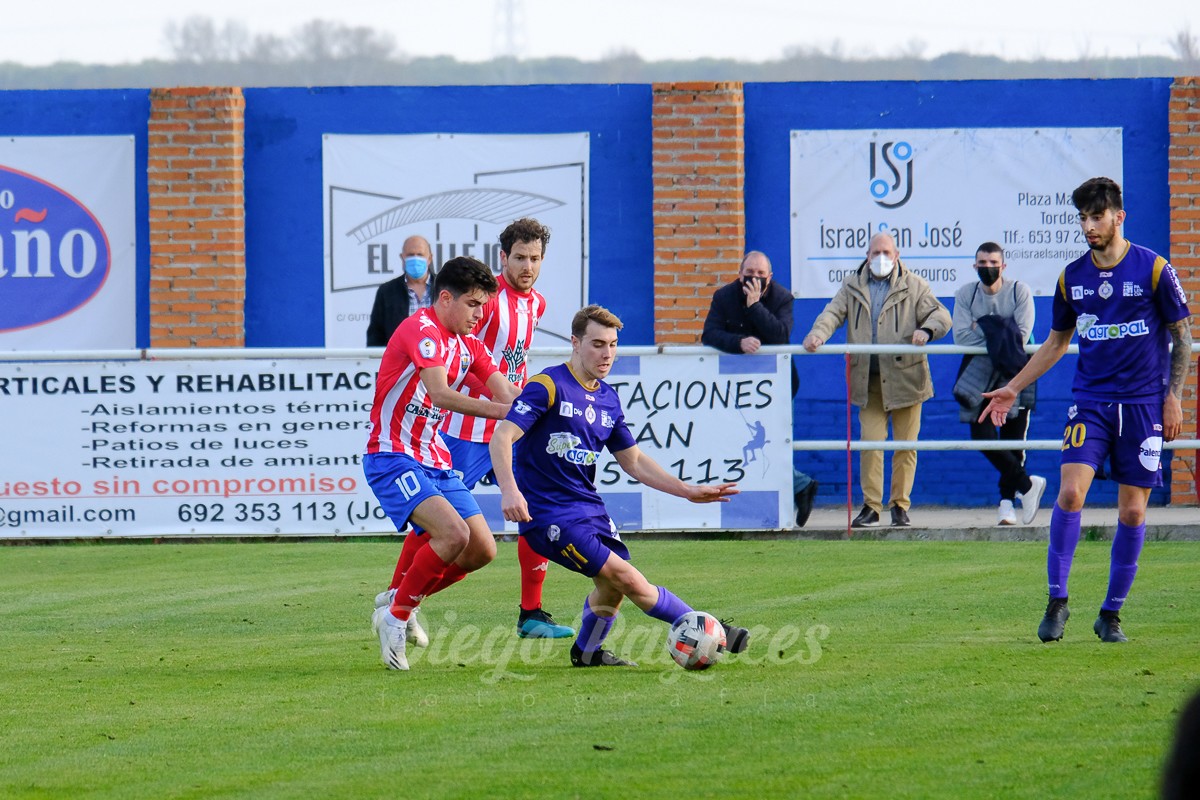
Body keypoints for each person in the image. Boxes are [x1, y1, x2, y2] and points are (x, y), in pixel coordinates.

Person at [980, 177, 1192, 644]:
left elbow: (1182, 337)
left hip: (1142, 408)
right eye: (1082, 218)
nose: (1088, 226)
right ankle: (1057, 603)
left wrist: (1172, 395)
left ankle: (1110, 614)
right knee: (1071, 494)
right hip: (1091, 404)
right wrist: (1012, 387)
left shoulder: (1154, 270)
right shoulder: (1070, 277)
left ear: (1119, 216)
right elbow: (1056, 343)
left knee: (1134, 512)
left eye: (1096, 216)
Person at [489, 305, 751, 668]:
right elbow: (502, 438)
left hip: (589, 510)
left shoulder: (608, 399)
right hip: (549, 514)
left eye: (612, 345)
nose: (606, 354)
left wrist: (687, 490)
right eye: (597, 344)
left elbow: (635, 461)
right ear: (575, 343)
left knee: (611, 589)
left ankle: (587, 653)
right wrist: (509, 490)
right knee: (627, 578)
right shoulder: (548, 385)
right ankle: (711, 628)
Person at [376, 218, 574, 640]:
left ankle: (531, 611)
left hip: (507, 421)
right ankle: (397, 598)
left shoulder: (535, 303)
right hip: (463, 427)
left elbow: (505, 367)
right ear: (503, 258)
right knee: (439, 525)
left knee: (533, 504)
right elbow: (461, 358)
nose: (527, 266)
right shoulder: (485, 299)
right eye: (519, 257)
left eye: (535, 258)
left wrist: (530, 407)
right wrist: (505, 406)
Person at [365, 256, 521, 671]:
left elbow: (502, 388)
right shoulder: (422, 330)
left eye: (484, 305)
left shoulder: (468, 344)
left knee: (481, 551)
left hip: (435, 459)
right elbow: (440, 394)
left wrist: (537, 409)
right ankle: (396, 619)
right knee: (452, 534)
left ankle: (398, 601)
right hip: (392, 456)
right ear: (446, 297)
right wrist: (505, 413)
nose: (479, 314)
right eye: (473, 304)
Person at [802, 232, 952, 528]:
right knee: (870, 445)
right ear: (867, 255)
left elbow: (941, 315)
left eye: (886, 252)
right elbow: (832, 313)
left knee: (905, 447)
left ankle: (899, 506)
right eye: (875, 252)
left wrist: (928, 330)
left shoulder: (915, 285)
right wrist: (818, 333)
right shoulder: (852, 284)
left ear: (896, 255)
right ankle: (871, 507)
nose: (880, 257)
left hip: (907, 379)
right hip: (867, 381)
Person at [701, 250, 818, 527]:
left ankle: (798, 487)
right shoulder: (724, 296)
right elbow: (710, 334)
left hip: (776, 386)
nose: (753, 279)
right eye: (748, 274)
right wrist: (739, 342)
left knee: (776, 442)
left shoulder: (782, 297)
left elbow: (780, 336)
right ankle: (801, 485)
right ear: (740, 273)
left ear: (770, 277)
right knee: (736, 441)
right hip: (736, 387)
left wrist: (755, 306)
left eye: (760, 275)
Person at [952, 242, 1047, 526]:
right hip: (977, 373)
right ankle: (1028, 486)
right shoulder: (966, 294)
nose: (988, 268)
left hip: (1016, 371)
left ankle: (1006, 504)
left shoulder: (1020, 291)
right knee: (981, 436)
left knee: (1013, 440)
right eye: (982, 263)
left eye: (993, 263)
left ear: (1003, 266)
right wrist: (1001, 327)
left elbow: (1021, 336)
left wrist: (983, 325)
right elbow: (960, 337)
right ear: (974, 265)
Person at [365, 234, 435, 347]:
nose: (415, 258)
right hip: (400, 361)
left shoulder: (444, 288)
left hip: (440, 361)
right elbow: (376, 335)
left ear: (430, 258)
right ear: (402, 257)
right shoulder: (387, 291)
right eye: (411, 255)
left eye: (420, 254)